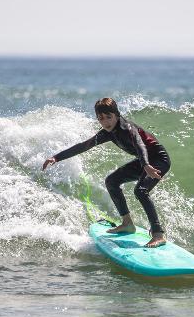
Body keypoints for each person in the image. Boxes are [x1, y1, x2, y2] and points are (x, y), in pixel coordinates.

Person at [42, 98, 171, 248]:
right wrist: (56, 157)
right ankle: (128, 224)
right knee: (112, 181)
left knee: (141, 191)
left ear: (117, 115)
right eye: (101, 118)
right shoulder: (107, 133)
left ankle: (158, 234)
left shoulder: (128, 128)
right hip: (145, 161)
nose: (105, 122)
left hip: (158, 159)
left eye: (109, 117)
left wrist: (146, 165)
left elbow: (140, 144)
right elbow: (83, 146)